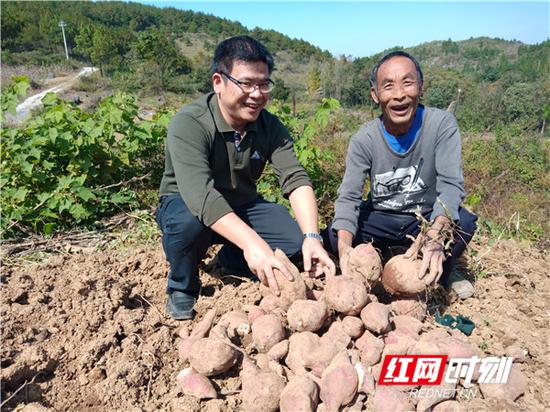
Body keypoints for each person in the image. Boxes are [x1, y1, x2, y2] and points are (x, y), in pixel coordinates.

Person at [156, 35, 336, 320]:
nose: (256, 93)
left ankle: (230, 259)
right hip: (188, 204)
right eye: (247, 83)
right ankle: (182, 286)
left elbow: (295, 178)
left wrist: (312, 237)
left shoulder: (269, 125)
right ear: (219, 82)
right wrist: (253, 243)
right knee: (187, 224)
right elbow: (201, 196)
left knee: (292, 240)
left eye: (264, 84)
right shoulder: (190, 123)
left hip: (241, 204)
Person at [324, 50, 477, 299]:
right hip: (381, 218)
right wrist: (345, 251)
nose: (399, 95)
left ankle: (443, 271)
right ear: (375, 95)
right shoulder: (365, 139)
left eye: (408, 82)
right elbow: (349, 197)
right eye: (388, 86)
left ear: (421, 86)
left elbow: (451, 186)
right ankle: (381, 264)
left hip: (424, 218)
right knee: (335, 232)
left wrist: (436, 234)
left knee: (464, 223)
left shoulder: (441, 125)